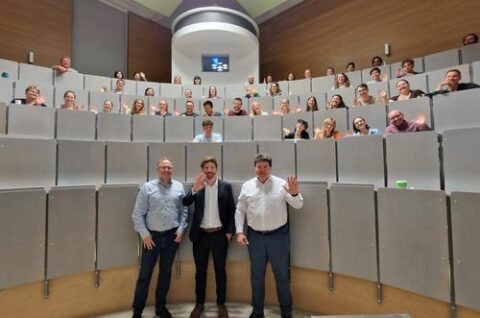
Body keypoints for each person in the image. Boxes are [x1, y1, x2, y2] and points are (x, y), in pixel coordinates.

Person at [235, 153, 303, 318]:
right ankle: (257, 311)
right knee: (256, 276)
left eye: (265, 166)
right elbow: (240, 210)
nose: (262, 170)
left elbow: (298, 205)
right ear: (255, 168)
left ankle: (286, 312)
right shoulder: (247, 186)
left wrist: (294, 194)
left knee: (282, 276)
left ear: (270, 167)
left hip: (278, 237)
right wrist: (239, 232)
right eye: (259, 167)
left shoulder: (281, 184)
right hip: (255, 237)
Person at [131, 157, 188, 318]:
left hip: (172, 238)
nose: (166, 170)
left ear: (172, 169)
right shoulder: (147, 188)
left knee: (165, 273)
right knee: (144, 276)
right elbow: (137, 214)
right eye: (163, 167)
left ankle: (160, 306)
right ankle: (137, 311)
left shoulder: (179, 187)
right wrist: (145, 235)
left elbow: (183, 211)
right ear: (158, 170)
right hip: (152, 239)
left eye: (169, 167)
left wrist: (181, 229)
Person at [182, 156, 235, 318]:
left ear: (216, 169)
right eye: (206, 168)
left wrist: (229, 232)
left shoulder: (226, 186)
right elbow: (185, 202)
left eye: (212, 167)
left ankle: (221, 304)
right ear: (203, 170)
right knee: (200, 272)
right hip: (200, 236)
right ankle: (199, 304)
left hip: (219, 235)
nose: (210, 170)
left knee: (220, 271)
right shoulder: (198, 185)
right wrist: (194, 190)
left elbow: (231, 211)